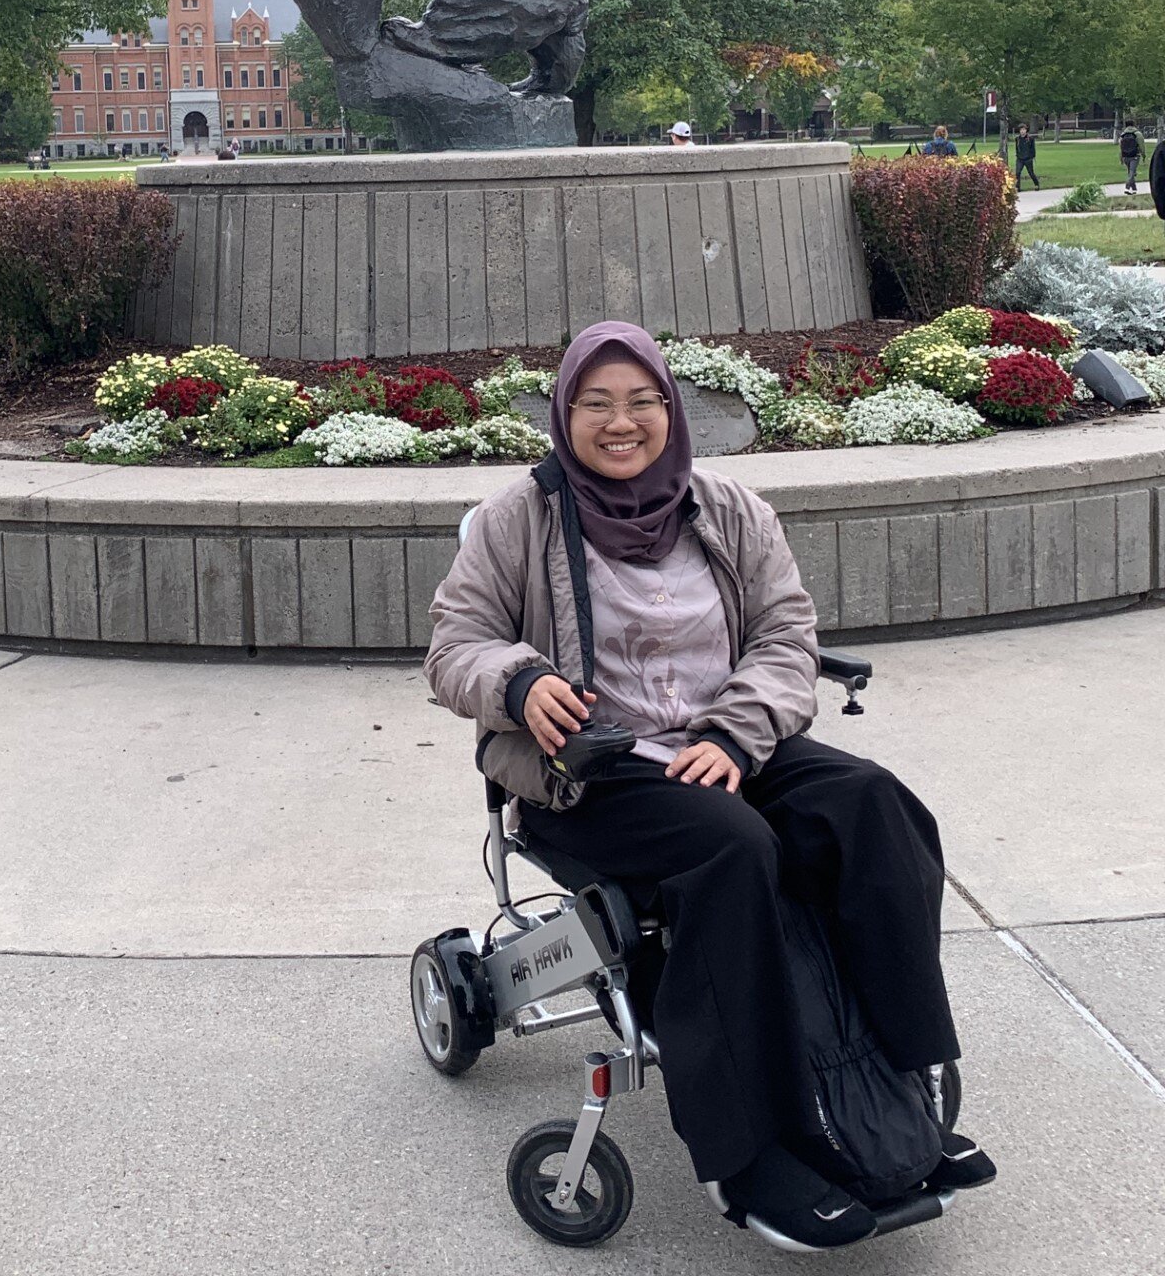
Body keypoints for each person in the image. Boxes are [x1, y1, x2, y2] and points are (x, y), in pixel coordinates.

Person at [426, 322, 994, 1249]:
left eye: (641, 402)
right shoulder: (513, 521)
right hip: (595, 774)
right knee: (733, 851)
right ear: (564, 413)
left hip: (729, 749)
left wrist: (735, 732)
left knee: (875, 808)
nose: (621, 423)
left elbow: (784, 637)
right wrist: (521, 683)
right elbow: (455, 649)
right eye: (595, 404)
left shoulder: (729, 508)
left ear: (671, 409)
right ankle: (750, 1153)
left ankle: (906, 1073)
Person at [1119, 121, 1143, 194]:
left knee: (1130, 172)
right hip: (1135, 156)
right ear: (1133, 125)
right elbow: (1141, 145)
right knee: (1132, 173)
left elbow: (1120, 147)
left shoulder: (1123, 135)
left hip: (1125, 156)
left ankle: (1134, 189)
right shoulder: (1137, 134)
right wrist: (1143, 154)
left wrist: (1121, 158)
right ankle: (1127, 188)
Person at [1014, 124, 1040, 190]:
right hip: (1020, 159)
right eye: (1021, 130)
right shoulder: (1017, 139)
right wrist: (1017, 155)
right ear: (1019, 131)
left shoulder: (1030, 139)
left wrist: (1032, 156)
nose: (1022, 131)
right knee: (1018, 172)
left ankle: (1036, 184)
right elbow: (1017, 148)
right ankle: (1018, 187)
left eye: (1023, 130)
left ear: (1026, 130)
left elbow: (1032, 149)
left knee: (1031, 173)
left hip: (1028, 159)